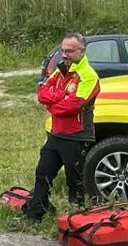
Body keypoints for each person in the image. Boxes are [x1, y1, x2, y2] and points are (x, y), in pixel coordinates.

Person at [20, 31, 101, 225]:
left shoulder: (88, 76)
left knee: (75, 181)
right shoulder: (60, 70)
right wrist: (59, 98)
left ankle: (77, 220)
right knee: (42, 173)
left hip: (76, 135)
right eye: (63, 50)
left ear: (82, 51)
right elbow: (42, 93)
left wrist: (54, 105)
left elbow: (74, 105)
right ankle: (35, 215)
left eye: (70, 51)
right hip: (56, 134)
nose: (64, 55)